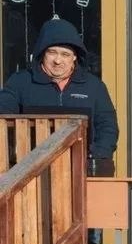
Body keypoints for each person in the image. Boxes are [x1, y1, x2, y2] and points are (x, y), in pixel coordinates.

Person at [0, 16, 118, 176]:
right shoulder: (20, 82)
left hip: (81, 170)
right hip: (29, 173)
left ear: (75, 57)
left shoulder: (94, 86)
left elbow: (107, 127)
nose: (58, 60)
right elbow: (3, 118)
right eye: (52, 52)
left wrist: (95, 156)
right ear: (42, 54)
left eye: (65, 54)